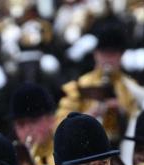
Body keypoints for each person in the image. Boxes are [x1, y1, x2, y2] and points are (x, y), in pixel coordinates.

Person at [56, 17, 138, 145]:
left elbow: (138, 121)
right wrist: (88, 116)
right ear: (95, 54)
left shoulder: (131, 86)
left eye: (113, 54)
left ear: (121, 55)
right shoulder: (80, 84)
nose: (108, 59)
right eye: (104, 53)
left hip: (121, 146)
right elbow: (60, 125)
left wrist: (122, 110)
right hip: (85, 145)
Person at [10, 82, 68, 165]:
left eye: (33, 122)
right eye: (21, 125)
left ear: (52, 119)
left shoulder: (67, 153)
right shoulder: (12, 161)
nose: (28, 130)